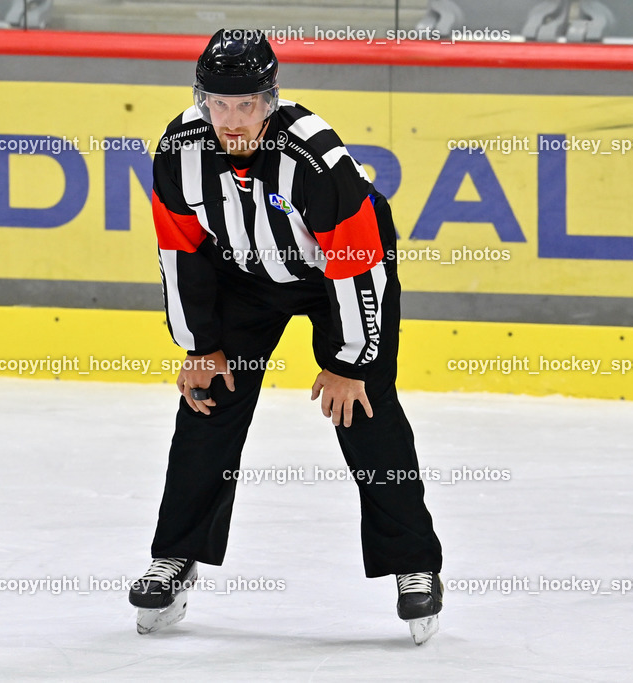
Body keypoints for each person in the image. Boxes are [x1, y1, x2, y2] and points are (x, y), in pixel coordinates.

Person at [127, 28, 443, 645]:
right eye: (218, 103)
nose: (231, 119)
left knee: (364, 411)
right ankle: (175, 556)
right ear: (202, 100)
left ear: (270, 100)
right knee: (207, 403)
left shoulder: (313, 157)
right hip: (244, 277)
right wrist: (199, 346)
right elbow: (180, 249)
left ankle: (414, 565)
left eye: (246, 104)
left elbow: (357, 258)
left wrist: (350, 361)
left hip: (337, 276)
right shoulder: (179, 148)